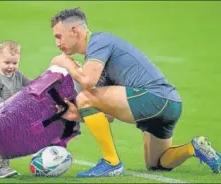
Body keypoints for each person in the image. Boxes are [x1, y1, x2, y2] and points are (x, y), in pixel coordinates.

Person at [49, 7, 221, 177]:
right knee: (157, 164)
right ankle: (193, 147)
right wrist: (74, 115)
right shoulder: (96, 57)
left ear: (74, 31)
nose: (57, 43)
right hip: (170, 104)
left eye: (59, 37)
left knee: (85, 96)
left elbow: (87, 81)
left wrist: (67, 62)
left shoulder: (99, 41)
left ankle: (111, 162)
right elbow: (107, 116)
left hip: (156, 98)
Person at [0, 40, 31, 178]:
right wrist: (11, 108)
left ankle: (6, 166)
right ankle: (2, 168)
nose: (11, 66)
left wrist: (44, 82)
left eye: (14, 63)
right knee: (1, 139)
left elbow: (30, 84)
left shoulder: (17, 75)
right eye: (7, 63)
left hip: (10, 115)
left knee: (12, 140)